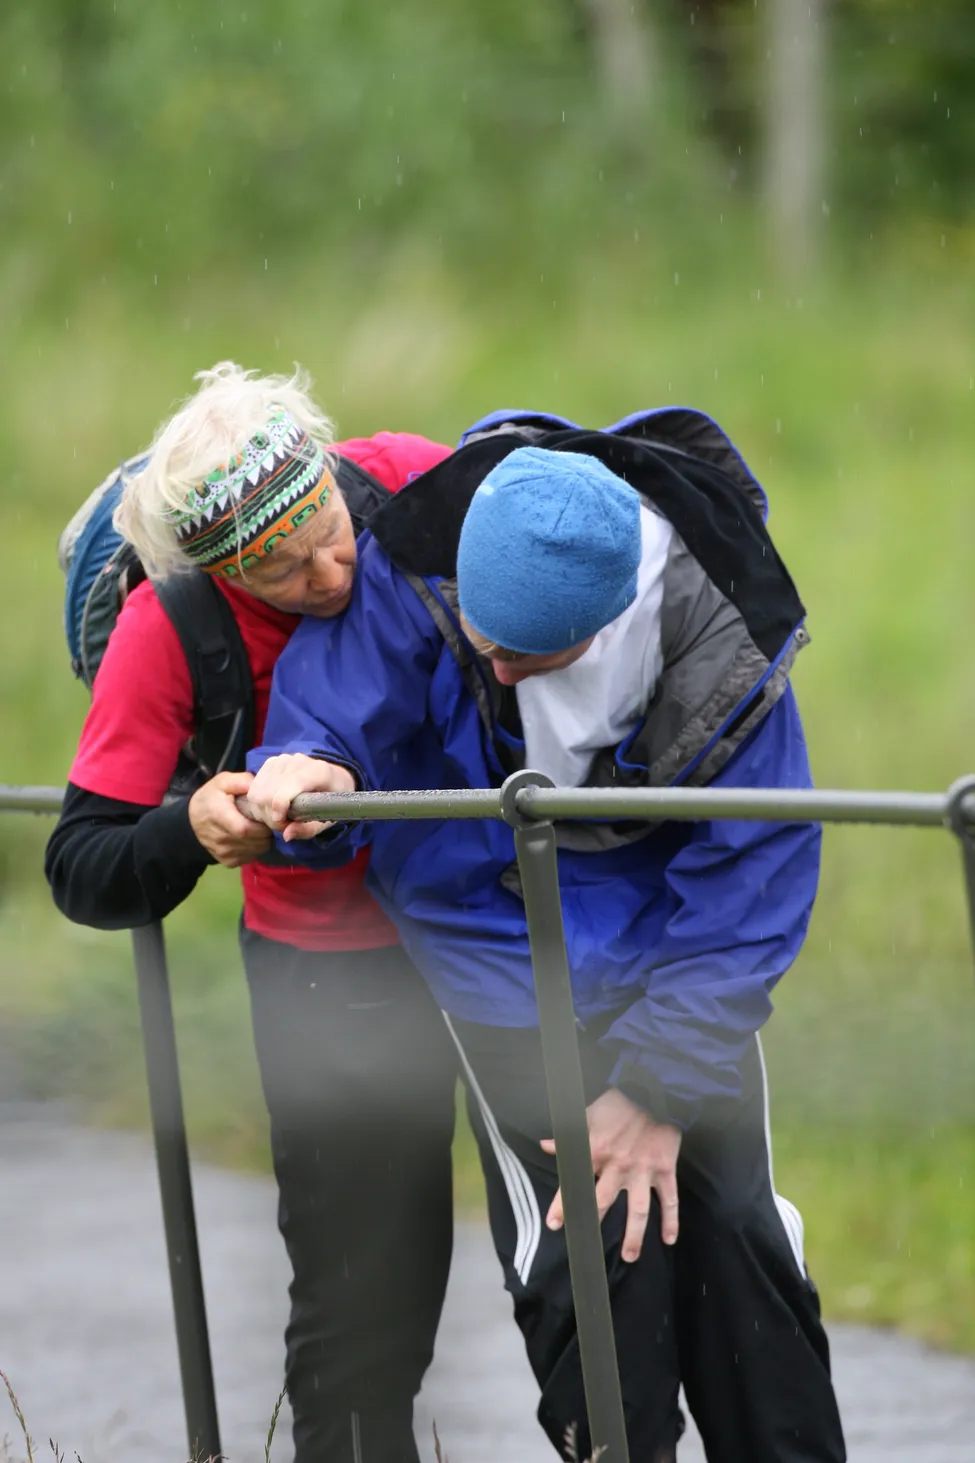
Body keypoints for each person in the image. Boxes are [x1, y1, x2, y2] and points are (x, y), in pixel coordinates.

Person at [244, 421, 848, 1463]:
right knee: (589, 1260)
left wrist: (658, 1087)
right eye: (479, 636)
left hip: (670, 955)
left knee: (739, 1244)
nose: (492, 664)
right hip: (496, 954)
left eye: (523, 655)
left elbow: (751, 878)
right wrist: (316, 773)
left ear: (607, 617)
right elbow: (336, 709)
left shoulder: (726, 642)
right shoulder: (429, 551)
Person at [45, 362, 458, 1463]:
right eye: (281, 568)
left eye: (328, 530)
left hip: (501, 927)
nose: (330, 571)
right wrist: (191, 828)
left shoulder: (407, 482)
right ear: (223, 568)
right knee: (367, 1309)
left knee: (571, 1264)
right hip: (335, 967)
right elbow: (81, 863)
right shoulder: (166, 628)